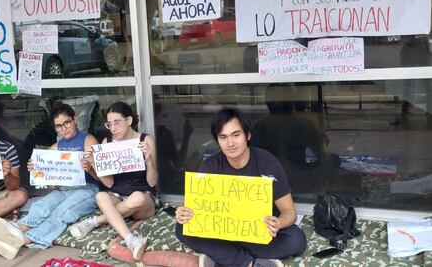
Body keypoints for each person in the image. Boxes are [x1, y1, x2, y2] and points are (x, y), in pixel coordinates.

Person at [174, 108, 307, 267]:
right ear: (217, 141)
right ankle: (248, 262)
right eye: (223, 137)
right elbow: (196, 210)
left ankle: (222, 257)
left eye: (236, 135)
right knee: (181, 228)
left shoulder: (268, 162)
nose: (230, 143)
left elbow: (289, 212)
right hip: (222, 232)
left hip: (261, 232)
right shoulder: (210, 165)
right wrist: (183, 212)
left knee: (296, 239)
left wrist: (278, 223)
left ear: (247, 135)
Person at [0, 102, 100, 259]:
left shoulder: (88, 140)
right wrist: (35, 166)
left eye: (66, 123)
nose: (64, 128)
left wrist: (90, 166)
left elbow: (102, 176)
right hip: (64, 189)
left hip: (88, 189)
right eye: (59, 126)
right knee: (42, 206)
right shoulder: (57, 146)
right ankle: (14, 230)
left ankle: (21, 240)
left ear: (74, 120)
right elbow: (43, 169)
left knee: (63, 212)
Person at [68, 102, 159, 261]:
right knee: (101, 196)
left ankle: (96, 221)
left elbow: (152, 182)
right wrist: (93, 163)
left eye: (117, 123)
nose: (113, 128)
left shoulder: (145, 140)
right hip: (118, 194)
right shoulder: (107, 142)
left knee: (137, 197)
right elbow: (109, 183)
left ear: (129, 121)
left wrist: (149, 159)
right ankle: (131, 240)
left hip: (143, 199)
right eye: (109, 124)